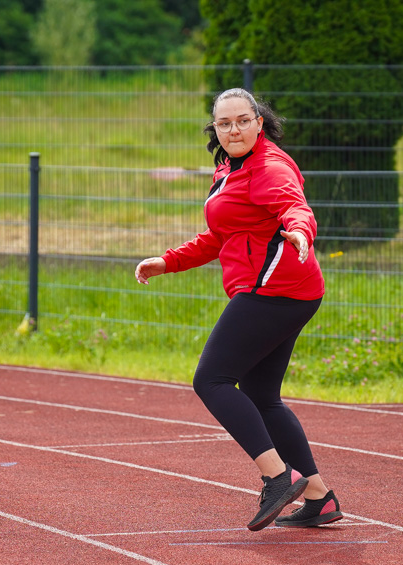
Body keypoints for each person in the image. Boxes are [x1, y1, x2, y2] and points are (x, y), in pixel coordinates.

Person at [134, 88, 342, 531]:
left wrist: (302, 233)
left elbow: (295, 209)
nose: (234, 130)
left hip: (276, 289)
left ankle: (277, 476)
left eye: (243, 121)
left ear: (259, 122)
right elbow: (220, 235)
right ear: (215, 128)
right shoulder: (231, 167)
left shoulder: (267, 167)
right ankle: (320, 497)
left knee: (210, 379)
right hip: (285, 290)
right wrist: (167, 261)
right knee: (262, 396)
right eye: (224, 123)